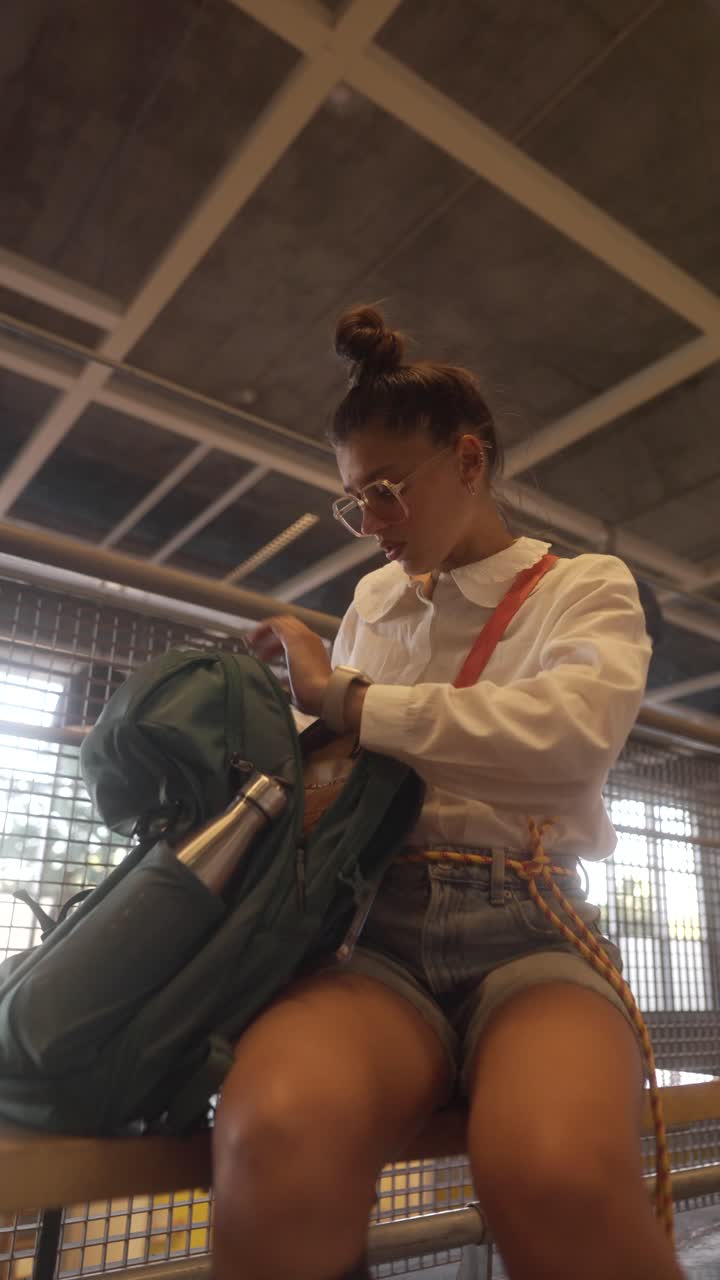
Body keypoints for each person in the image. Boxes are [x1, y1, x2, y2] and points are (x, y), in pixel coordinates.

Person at [212, 307, 683, 1280]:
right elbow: (342, 770)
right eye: (355, 500)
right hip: (377, 932)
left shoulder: (584, 587)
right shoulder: (369, 606)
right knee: (271, 1134)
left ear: (469, 461)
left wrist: (346, 696)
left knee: (556, 1174)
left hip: (534, 926)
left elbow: (569, 742)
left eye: (386, 490)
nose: (372, 522)